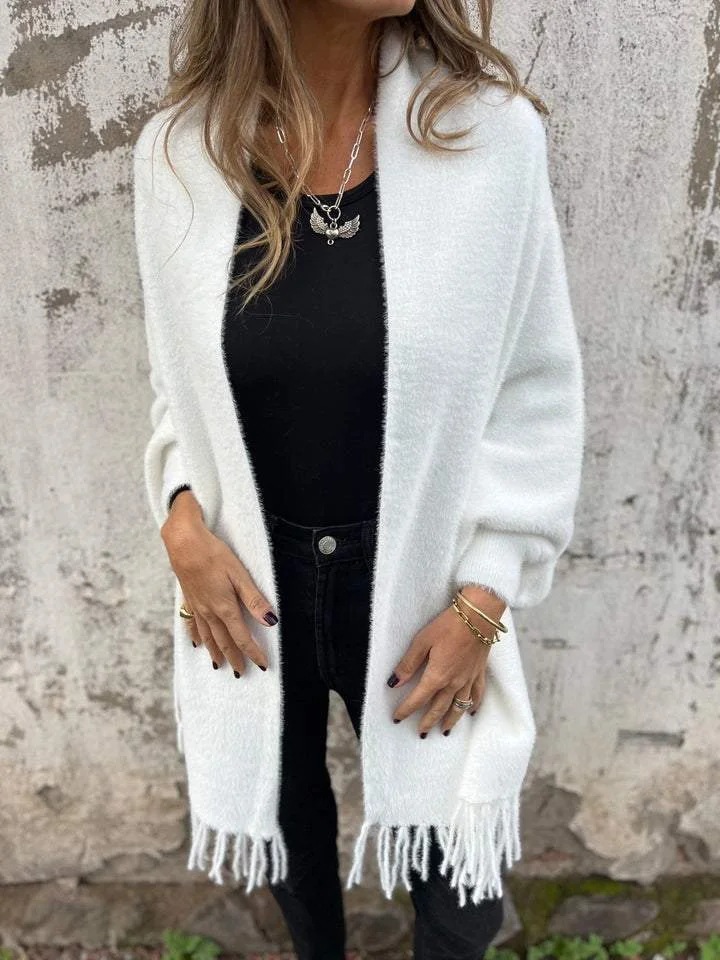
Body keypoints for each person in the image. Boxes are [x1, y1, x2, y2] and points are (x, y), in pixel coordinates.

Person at [133, 3, 585, 959]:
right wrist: (178, 519)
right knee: (289, 842)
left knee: (456, 892)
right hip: (250, 586)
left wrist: (484, 599)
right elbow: (179, 391)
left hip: (423, 587)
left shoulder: (488, 137)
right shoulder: (179, 154)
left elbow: (534, 391)